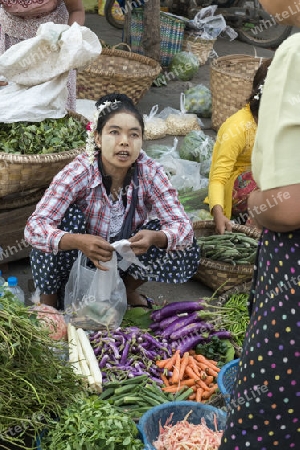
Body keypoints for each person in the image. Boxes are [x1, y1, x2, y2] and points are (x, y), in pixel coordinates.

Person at [24, 93, 200, 310]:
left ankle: (123, 292)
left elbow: (183, 228)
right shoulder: (80, 171)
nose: (124, 141)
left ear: (141, 140)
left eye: (133, 134)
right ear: (97, 138)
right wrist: (78, 241)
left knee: (177, 239)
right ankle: (48, 305)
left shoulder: (150, 172)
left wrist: (157, 237)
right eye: (114, 132)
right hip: (77, 260)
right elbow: (34, 228)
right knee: (64, 221)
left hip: (122, 261)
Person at [218, 1, 300, 448]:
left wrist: (256, 203)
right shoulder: (234, 129)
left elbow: (289, 209)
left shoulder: (295, 53)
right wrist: (223, 210)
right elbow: (219, 175)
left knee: (269, 423)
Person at [205, 58, 272, 234]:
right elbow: (218, 177)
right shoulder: (238, 127)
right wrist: (218, 213)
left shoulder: (277, 121)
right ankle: (255, 230)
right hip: (237, 185)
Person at [0, 0, 85, 110]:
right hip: (11, 47)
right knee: (11, 106)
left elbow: (76, 10)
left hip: (52, 47)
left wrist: (68, 39)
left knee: (52, 109)